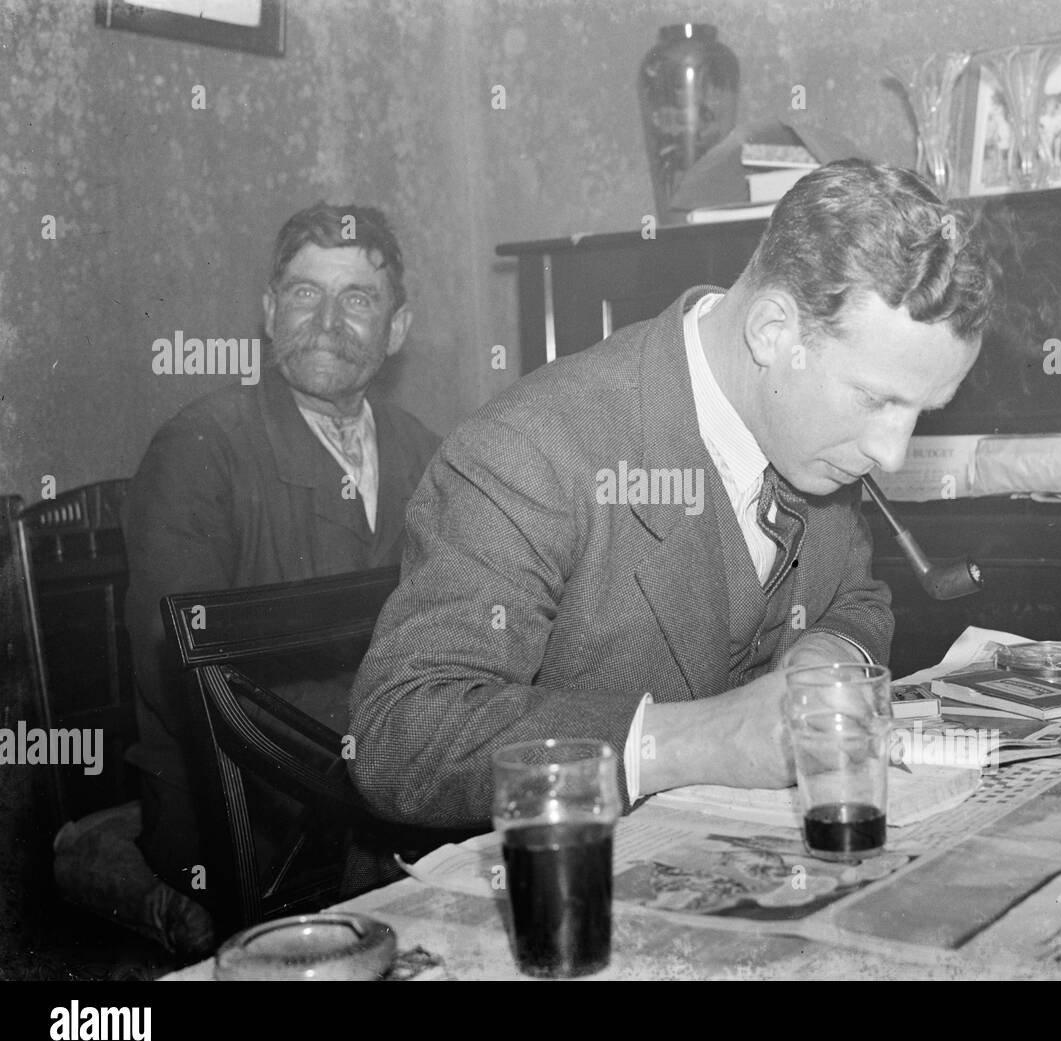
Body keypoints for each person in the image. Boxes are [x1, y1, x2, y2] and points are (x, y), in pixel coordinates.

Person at [349, 161, 995, 828]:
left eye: (922, 410)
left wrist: (828, 657)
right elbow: (400, 734)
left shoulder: (816, 435)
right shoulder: (532, 450)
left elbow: (855, 598)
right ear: (773, 332)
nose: (892, 452)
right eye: (877, 400)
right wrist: (693, 741)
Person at [124, 204, 439, 911]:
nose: (326, 320)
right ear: (270, 312)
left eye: (357, 298)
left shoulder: (425, 452)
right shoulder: (200, 450)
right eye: (305, 292)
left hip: (382, 797)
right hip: (241, 815)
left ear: (396, 329)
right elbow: (179, 675)